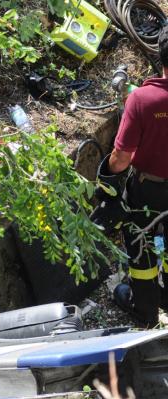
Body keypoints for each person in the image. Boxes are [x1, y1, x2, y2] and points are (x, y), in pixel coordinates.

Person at [95, 25, 168, 327]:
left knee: (142, 249)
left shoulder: (143, 101)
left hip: (149, 191)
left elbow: (121, 158)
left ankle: (146, 312)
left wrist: (105, 188)